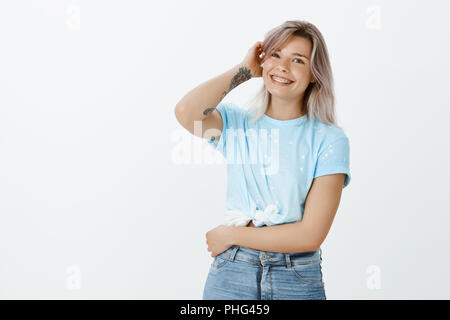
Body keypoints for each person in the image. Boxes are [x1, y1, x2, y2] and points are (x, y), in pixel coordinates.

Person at [174, 20, 351, 300]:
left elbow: (310, 235)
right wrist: (243, 72)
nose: (283, 67)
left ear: (314, 73)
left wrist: (231, 235)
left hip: (295, 277)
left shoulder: (329, 140)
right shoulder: (237, 123)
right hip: (232, 273)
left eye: (298, 60)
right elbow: (186, 112)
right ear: (264, 61)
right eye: (276, 55)